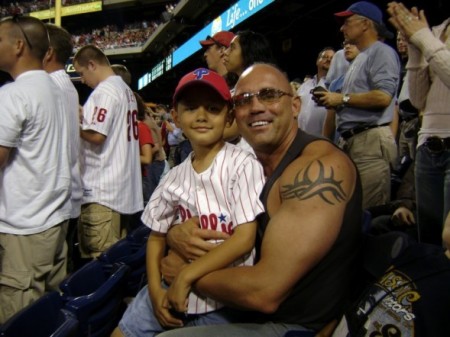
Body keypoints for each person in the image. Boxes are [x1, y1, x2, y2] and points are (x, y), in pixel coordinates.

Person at [156, 63, 363, 336]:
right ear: (235, 116)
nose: (255, 107)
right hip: (236, 305)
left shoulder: (318, 169)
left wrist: (186, 273)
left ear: (295, 106)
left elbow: (264, 292)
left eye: (269, 95)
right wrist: (173, 235)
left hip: (290, 325)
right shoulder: (248, 163)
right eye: (243, 100)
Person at [112, 68, 265, 336]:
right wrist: (156, 289)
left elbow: (244, 238)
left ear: (228, 115)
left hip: (222, 301)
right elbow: (156, 238)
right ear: (176, 116)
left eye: (213, 108)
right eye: (191, 107)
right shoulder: (173, 177)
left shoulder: (242, 164)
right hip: (170, 288)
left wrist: (188, 274)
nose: (202, 116)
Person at [0, 15, 72, 323]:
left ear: (18, 46)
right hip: (54, 219)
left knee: (19, 322)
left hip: (25, 227)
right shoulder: (59, 89)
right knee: (48, 314)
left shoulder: (14, 94)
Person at [314, 1, 400, 209]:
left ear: (365, 24)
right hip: (353, 141)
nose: (342, 28)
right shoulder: (359, 58)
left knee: (370, 213)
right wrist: (332, 99)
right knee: (353, 213)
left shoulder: (381, 52)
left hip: (370, 142)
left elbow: (383, 98)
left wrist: (340, 99)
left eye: (347, 22)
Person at [387, 2, 450, 246]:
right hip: (427, 147)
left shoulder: (427, 34)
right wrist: (414, 49)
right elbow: (417, 98)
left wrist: (422, 38)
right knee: (429, 242)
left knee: (447, 244)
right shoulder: (435, 30)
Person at [74, 45, 143, 259]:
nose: (82, 80)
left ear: (92, 65)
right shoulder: (124, 90)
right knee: (116, 263)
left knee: (100, 265)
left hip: (102, 191)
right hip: (120, 190)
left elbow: (96, 136)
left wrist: (72, 124)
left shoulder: (104, 91)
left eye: (81, 73)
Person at [42, 23, 83, 273]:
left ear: (46, 51)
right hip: (66, 197)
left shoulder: (48, 86)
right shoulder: (65, 84)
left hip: (48, 203)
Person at [223, 30, 276, 150]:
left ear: (248, 52)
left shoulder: (260, 85)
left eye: (232, 48)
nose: (225, 53)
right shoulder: (239, 86)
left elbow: (231, 131)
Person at [297, 46, 335, 137]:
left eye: (332, 58)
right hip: (300, 138)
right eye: (325, 57)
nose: (328, 60)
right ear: (317, 61)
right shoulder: (304, 85)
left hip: (323, 139)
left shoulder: (334, 86)